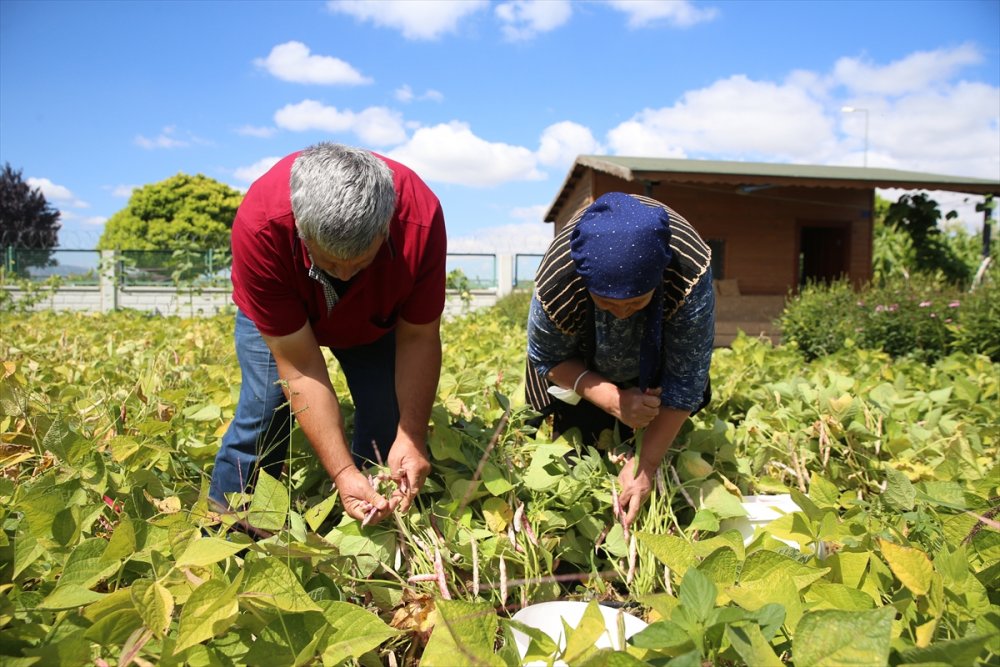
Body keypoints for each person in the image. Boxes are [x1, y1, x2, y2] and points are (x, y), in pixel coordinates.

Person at [210, 142, 446, 528]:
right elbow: (300, 366)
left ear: (387, 226)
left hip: (374, 316)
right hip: (287, 314)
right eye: (331, 263)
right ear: (301, 230)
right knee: (263, 417)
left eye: (361, 261)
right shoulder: (262, 224)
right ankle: (228, 532)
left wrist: (412, 435)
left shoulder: (421, 219)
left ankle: (373, 526)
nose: (345, 274)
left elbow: (419, 336)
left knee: (388, 417)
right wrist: (339, 470)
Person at [525, 191, 714, 530]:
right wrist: (612, 400)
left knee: (659, 465)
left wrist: (647, 464)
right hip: (577, 362)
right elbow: (546, 355)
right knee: (576, 465)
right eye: (609, 304)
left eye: (635, 302)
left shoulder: (688, 270)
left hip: (656, 354)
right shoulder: (559, 280)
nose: (623, 314)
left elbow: (687, 378)